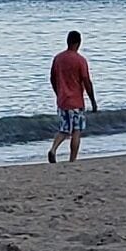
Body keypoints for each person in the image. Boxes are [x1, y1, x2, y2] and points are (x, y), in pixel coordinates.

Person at [45, 31, 96, 163]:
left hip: (62, 100)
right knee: (76, 131)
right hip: (76, 102)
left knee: (64, 129)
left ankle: (53, 149)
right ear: (78, 43)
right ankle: (72, 159)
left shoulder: (58, 58)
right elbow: (86, 81)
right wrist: (93, 101)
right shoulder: (80, 60)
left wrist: (58, 93)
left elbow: (52, 78)